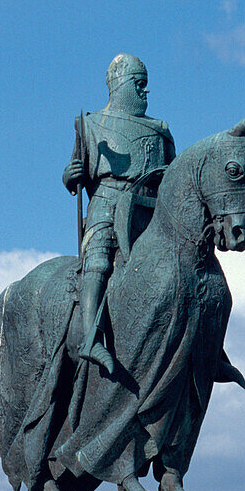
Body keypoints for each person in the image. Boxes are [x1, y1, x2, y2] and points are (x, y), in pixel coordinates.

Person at [62, 53, 176, 374]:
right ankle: (91, 337)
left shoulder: (160, 130)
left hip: (149, 206)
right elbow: (76, 171)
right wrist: (71, 176)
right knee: (97, 259)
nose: (145, 92)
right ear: (121, 85)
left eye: (146, 85)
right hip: (107, 201)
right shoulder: (89, 124)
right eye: (139, 84)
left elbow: (174, 174)